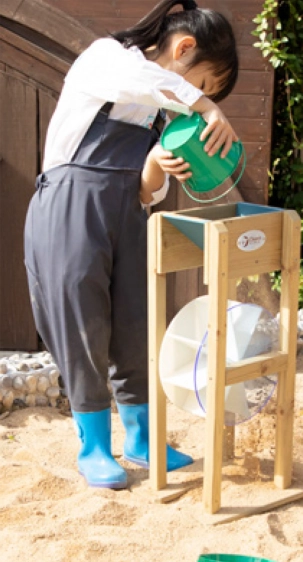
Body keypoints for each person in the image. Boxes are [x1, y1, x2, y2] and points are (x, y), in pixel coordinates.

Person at [23, 0, 239, 489]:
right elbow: (141, 81)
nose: (198, 99)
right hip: (71, 206)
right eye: (205, 82)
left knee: (135, 324)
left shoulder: (158, 110)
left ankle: (142, 439)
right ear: (183, 48)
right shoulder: (108, 60)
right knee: (83, 322)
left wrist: (161, 160)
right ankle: (94, 446)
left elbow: (145, 190)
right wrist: (201, 102)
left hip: (127, 213)